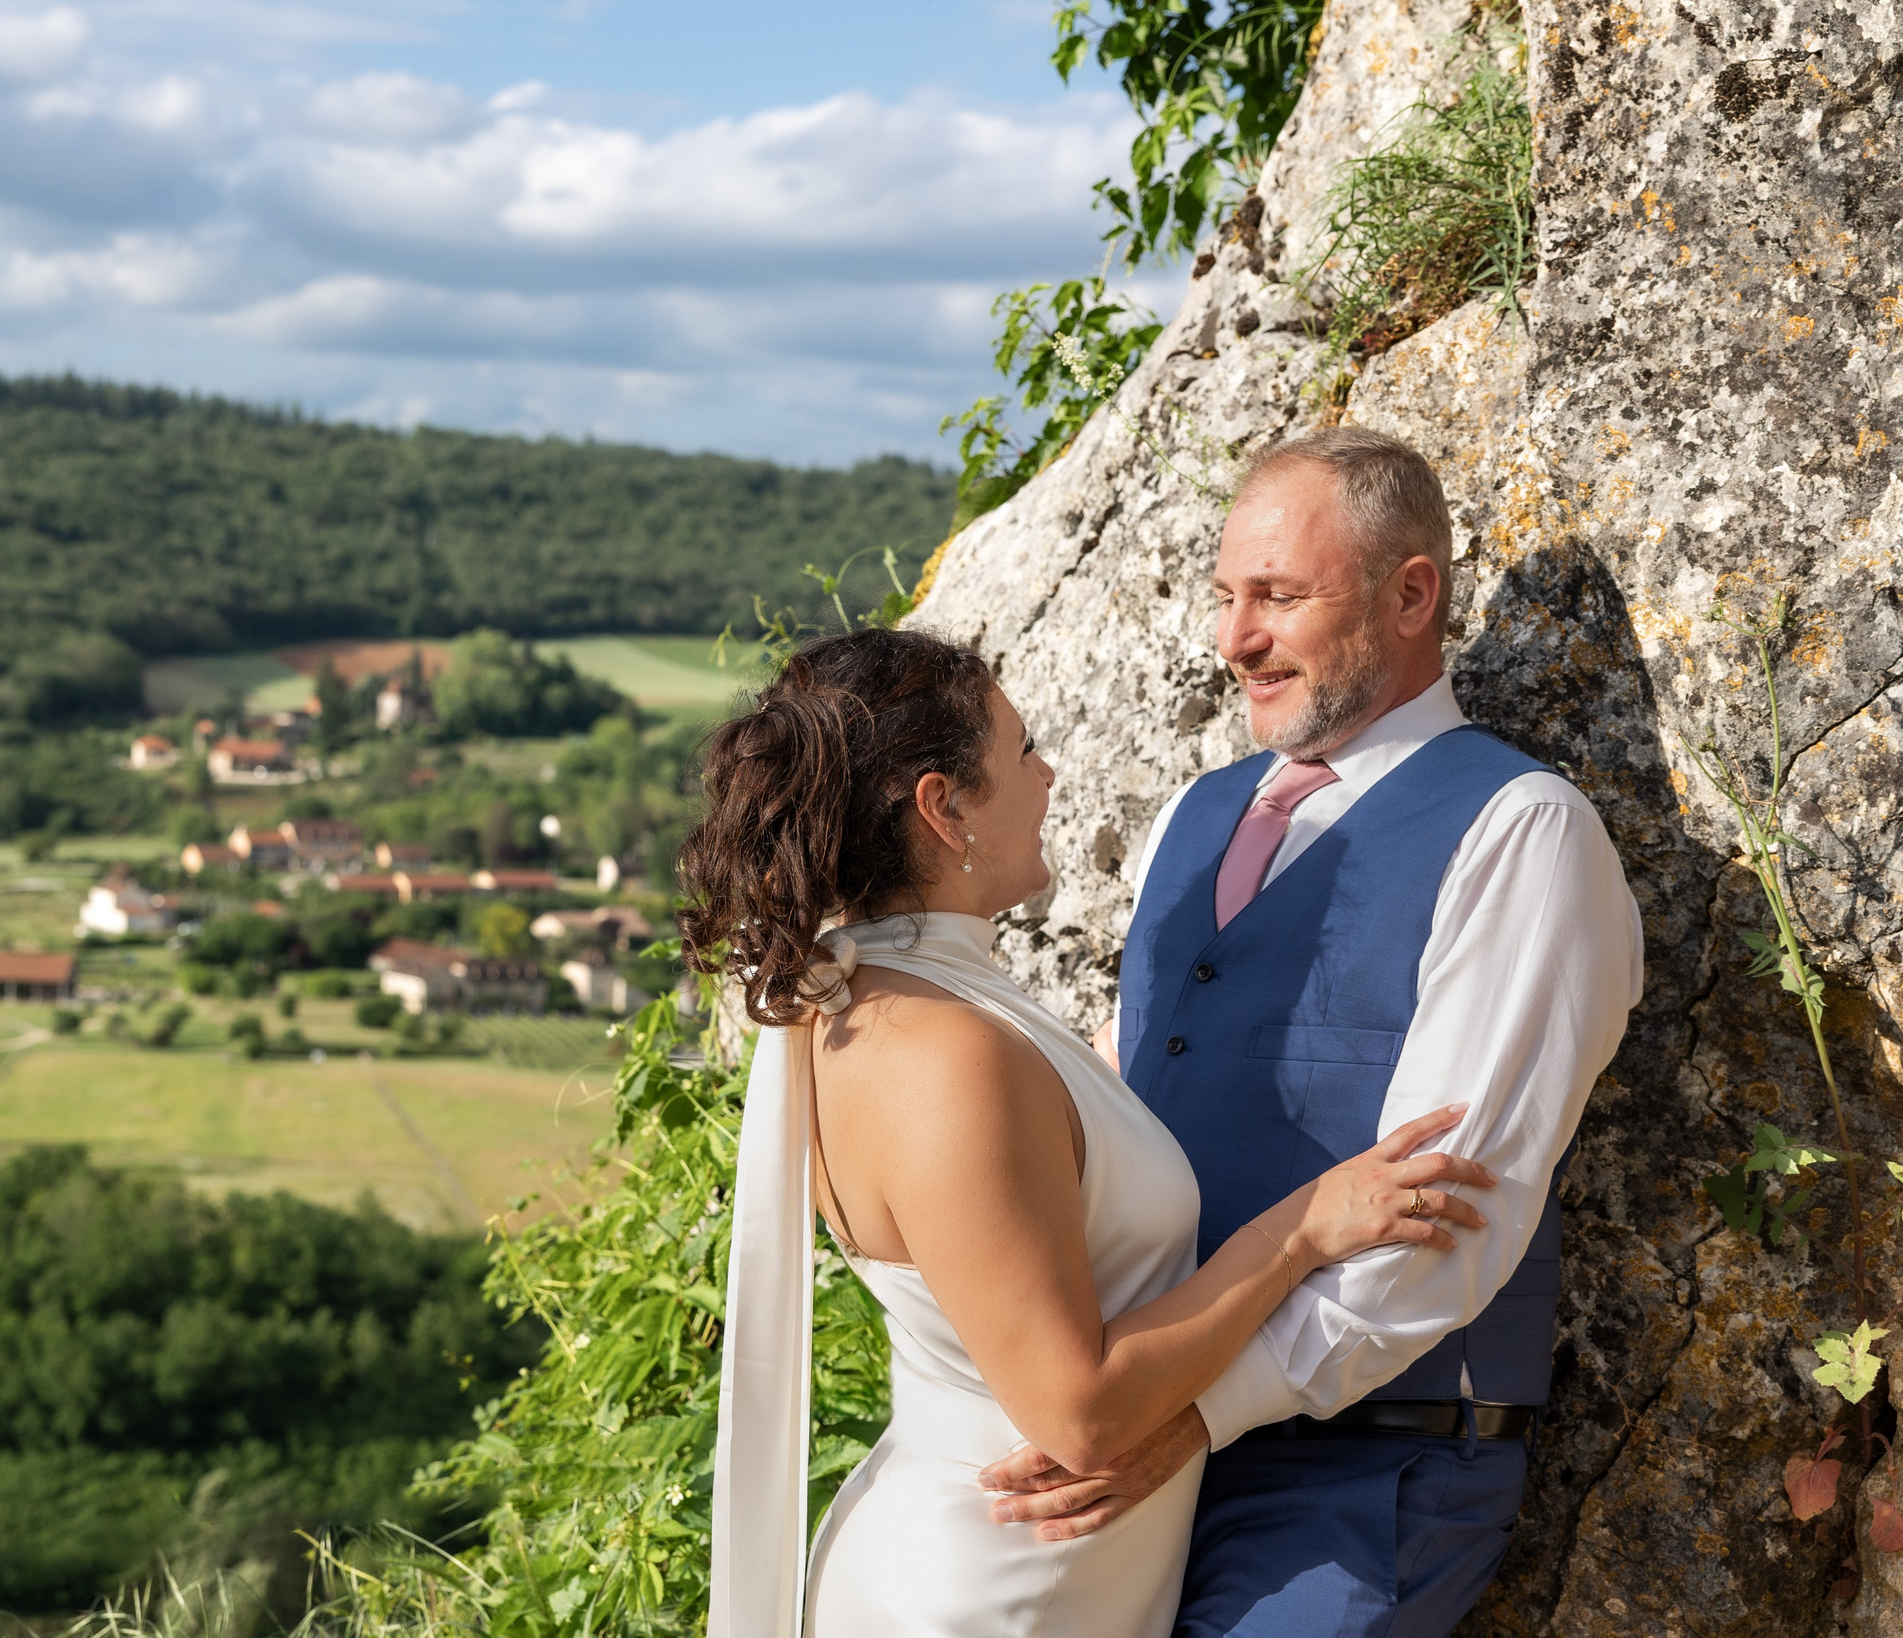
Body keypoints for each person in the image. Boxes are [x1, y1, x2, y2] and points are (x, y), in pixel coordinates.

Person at [684, 626, 1500, 1638]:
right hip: (998, 1591)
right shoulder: (940, 1052)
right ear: (943, 807)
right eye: (1021, 750)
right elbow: (1080, 1413)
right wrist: (1301, 1230)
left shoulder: (905, 1001)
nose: (1049, 775)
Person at [980, 427, 1646, 1636]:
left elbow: (1444, 1213)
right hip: (1138, 1448)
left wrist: (1194, 1417)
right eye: (1226, 596)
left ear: (1410, 595)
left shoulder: (1518, 831)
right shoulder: (1194, 819)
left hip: (1361, 1472)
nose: (1234, 639)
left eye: (1279, 597)